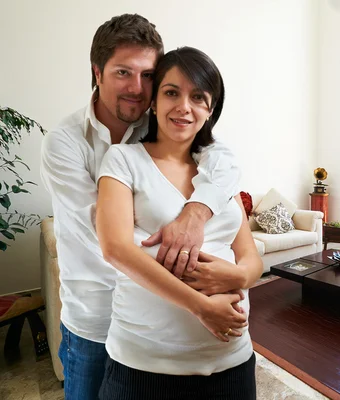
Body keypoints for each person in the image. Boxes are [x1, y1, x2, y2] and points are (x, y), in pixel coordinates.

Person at [40, 14, 241, 399]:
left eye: (148, 75)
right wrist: (202, 296)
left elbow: (226, 163)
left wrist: (194, 214)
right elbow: (111, 237)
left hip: (160, 325)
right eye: (122, 73)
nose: (137, 88)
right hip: (96, 322)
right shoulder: (65, 143)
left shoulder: (163, 128)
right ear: (97, 73)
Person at [95, 46, 263, 400]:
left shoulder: (219, 172)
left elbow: (250, 256)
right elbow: (116, 249)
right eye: (172, 92)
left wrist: (237, 276)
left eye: (198, 97)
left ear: (210, 110)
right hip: (145, 368)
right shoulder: (124, 160)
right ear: (154, 102)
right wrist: (201, 307)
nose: (184, 106)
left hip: (231, 362)